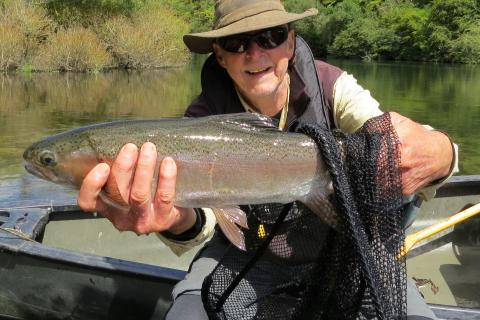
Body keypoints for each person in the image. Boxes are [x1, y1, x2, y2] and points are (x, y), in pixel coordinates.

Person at [77, 0, 458, 319]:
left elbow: (394, 144)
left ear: (291, 44)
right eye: (237, 42)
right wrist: (175, 221)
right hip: (242, 251)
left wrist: (444, 153)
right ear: (221, 57)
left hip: (344, 245)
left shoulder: (334, 88)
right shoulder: (199, 120)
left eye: (271, 37)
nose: (256, 53)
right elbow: (205, 222)